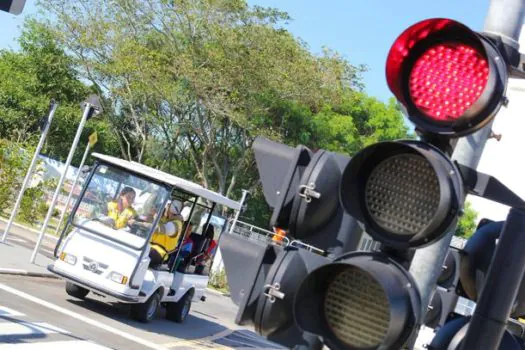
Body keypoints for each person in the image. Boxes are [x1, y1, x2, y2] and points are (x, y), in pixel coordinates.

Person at [145, 201, 184, 267]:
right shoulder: (164, 219)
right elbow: (149, 222)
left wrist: (156, 217)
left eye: (168, 205)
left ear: (172, 208)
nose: (166, 207)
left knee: (144, 254)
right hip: (149, 246)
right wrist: (150, 215)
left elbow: (162, 229)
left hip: (160, 253)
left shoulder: (176, 224)